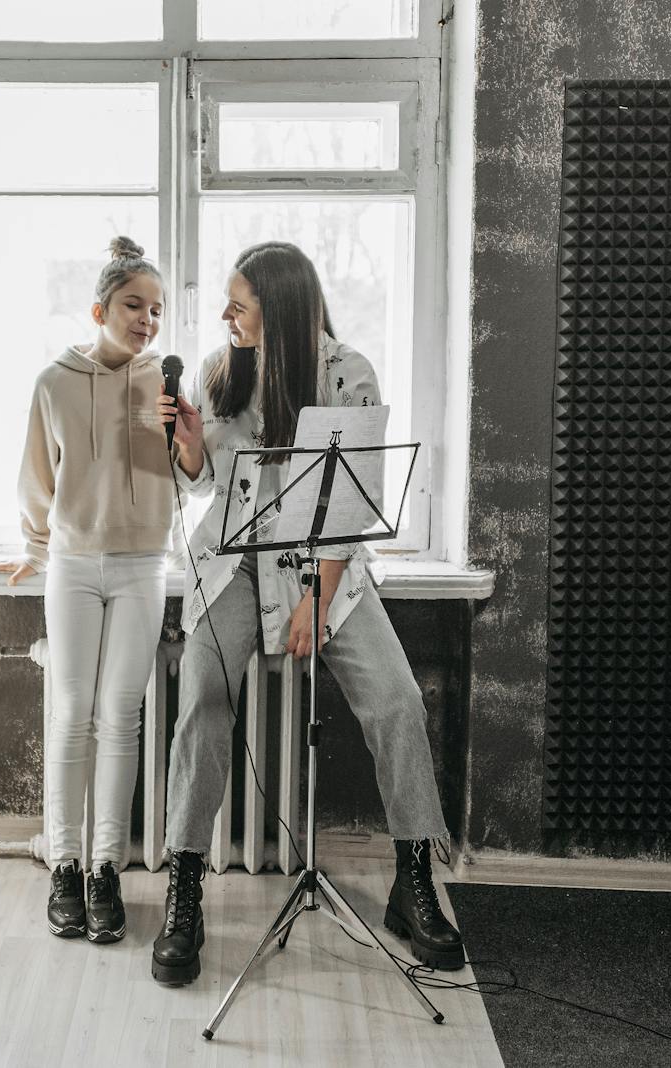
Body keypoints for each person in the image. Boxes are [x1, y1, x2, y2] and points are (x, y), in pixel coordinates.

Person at [152, 241, 465, 984]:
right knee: (201, 696)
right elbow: (205, 491)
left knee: (398, 702)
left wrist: (317, 604)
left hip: (324, 568)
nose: (224, 315)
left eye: (240, 304)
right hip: (232, 567)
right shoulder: (219, 369)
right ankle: (184, 885)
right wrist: (191, 449)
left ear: (282, 308)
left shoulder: (346, 375)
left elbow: (349, 504)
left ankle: (413, 879)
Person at [0, 236, 177, 944]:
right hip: (72, 566)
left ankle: (105, 871)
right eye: (134, 305)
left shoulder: (168, 384)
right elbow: (37, 483)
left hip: (143, 566)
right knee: (71, 713)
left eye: (156, 309)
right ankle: (64, 864)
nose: (146, 319)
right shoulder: (53, 382)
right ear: (99, 308)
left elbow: (193, 482)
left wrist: (181, 433)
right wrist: (35, 552)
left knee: (120, 715)